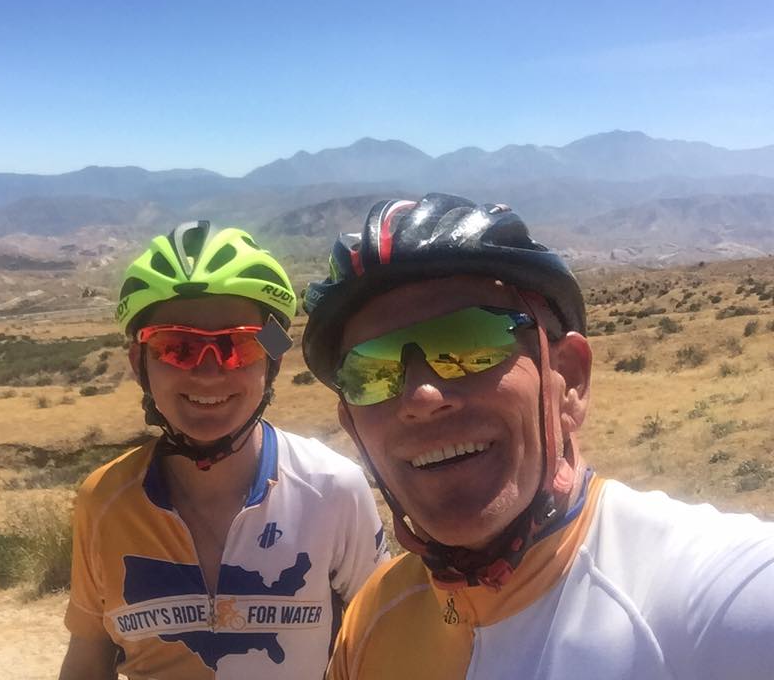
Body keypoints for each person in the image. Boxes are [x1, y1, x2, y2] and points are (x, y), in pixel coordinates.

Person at [301, 194, 774, 680]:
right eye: (372, 371)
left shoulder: (716, 601)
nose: (422, 396)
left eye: (469, 341)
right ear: (352, 425)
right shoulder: (374, 619)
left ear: (568, 380)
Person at [59, 221, 388, 680]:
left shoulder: (332, 490)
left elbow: (385, 640)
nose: (210, 373)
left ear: (271, 362)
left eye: (239, 346)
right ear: (140, 364)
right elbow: (89, 655)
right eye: (177, 347)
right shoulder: (104, 501)